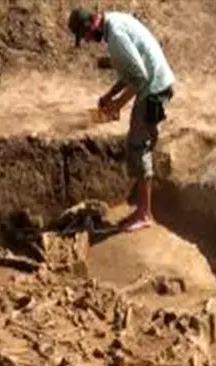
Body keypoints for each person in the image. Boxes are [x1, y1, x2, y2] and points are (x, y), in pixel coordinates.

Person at [68, 6, 175, 233]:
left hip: (153, 90)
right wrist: (109, 95)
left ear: (92, 25)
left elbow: (139, 78)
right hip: (157, 83)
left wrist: (117, 105)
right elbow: (130, 71)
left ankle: (144, 213)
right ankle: (144, 204)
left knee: (138, 145)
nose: (87, 41)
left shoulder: (115, 36)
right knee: (142, 141)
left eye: (85, 36)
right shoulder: (115, 21)